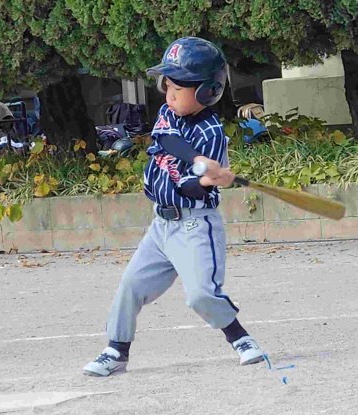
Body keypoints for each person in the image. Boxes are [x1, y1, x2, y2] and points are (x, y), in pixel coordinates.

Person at [83, 37, 264, 377]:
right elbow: (165, 139)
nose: (168, 95)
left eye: (177, 89)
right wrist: (198, 161)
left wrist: (208, 181)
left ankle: (240, 338)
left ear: (207, 91)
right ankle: (116, 351)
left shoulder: (212, 133)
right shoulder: (169, 113)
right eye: (167, 86)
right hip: (160, 227)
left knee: (200, 295)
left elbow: (191, 190)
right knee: (130, 287)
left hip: (195, 226)